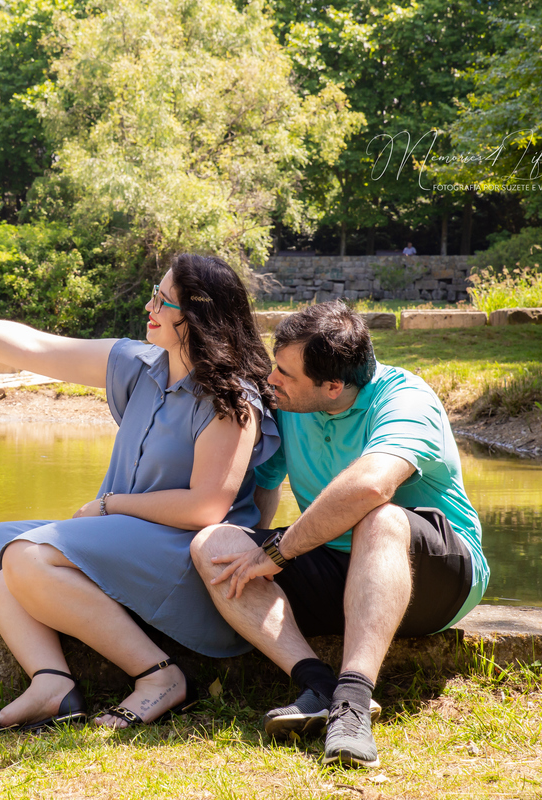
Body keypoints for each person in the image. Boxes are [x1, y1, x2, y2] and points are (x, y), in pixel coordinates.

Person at [0, 254, 280, 731]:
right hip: (130, 541)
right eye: (154, 293)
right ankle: (52, 685)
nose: (149, 307)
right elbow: (33, 346)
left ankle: (159, 677)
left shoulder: (231, 397)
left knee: (28, 556)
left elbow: (206, 507)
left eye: (162, 300)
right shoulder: (140, 365)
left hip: (191, 561)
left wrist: (108, 505)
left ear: (196, 316)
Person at [190, 301, 488, 768]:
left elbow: (371, 486)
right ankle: (319, 686)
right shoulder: (293, 404)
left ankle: (353, 706)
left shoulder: (406, 399)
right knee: (214, 544)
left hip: (438, 576)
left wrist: (278, 552)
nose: (271, 380)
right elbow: (266, 485)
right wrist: (256, 561)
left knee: (379, 517)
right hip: (340, 568)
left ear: (332, 386)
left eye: (285, 373)